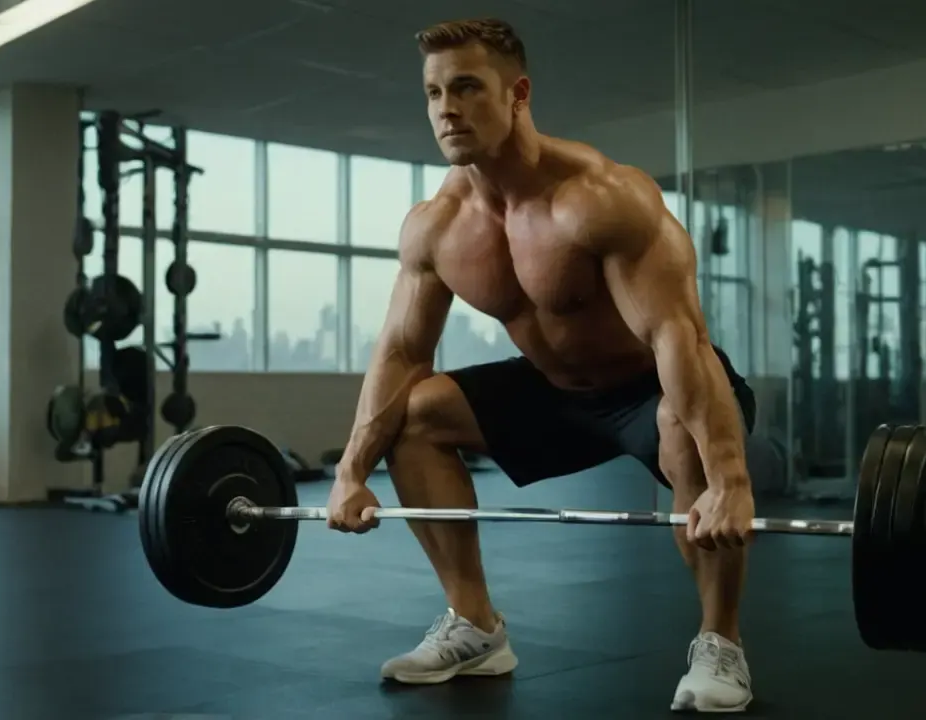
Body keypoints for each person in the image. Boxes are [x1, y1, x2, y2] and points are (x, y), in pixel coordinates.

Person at [324, 17, 758, 714]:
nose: (447, 108)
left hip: (655, 384)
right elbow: (401, 353)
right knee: (417, 414)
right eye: (434, 92)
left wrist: (731, 479)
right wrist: (350, 471)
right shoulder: (438, 225)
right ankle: (475, 625)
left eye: (466, 87)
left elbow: (679, 338)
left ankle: (721, 644)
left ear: (518, 92)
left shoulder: (600, 199)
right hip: (556, 392)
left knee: (683, 425)